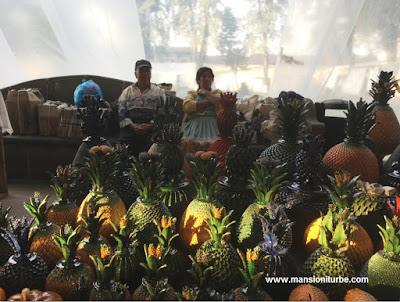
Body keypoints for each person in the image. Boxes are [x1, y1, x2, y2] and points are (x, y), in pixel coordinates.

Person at [118, 59, 166, 157]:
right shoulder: (127, 91)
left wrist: (151, 125)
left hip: (152, 129)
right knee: (122, 145)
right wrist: (131, 125)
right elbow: (121, 110)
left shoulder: (159, 92)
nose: (145, 73)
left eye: (147, 71)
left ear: (151, 73)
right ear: (135, 74)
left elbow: (163, 112)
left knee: (155, 145)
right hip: (131, 128)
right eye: (141, 70)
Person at [182, 67, 221, 143]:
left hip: (213, 127)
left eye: (209, 76)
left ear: (212, 80)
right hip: (193, 127)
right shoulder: (192, 93)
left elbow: (219, 102)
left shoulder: (217, 92)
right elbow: (187, 106)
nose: (207, 79)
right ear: (198, 80)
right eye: (204, 76)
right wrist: (209, 102)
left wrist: (206, 93)